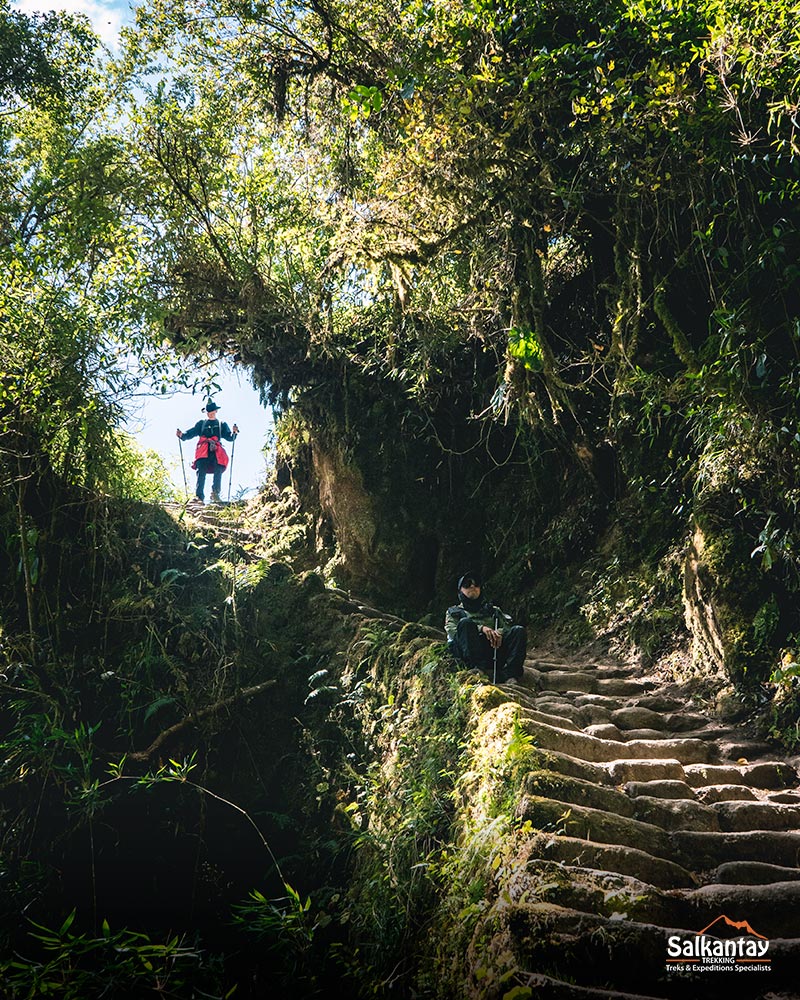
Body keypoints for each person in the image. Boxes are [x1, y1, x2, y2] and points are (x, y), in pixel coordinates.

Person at [445, 572, 526, 685]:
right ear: (460, 590)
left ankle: (511, 674)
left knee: (518, 631)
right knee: (465, 624)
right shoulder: (454, 612)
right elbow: (453, 632)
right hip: (470, 653)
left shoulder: (493, 610)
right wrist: (481, 629)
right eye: (467, 584)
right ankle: (476, 669)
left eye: (476, 584)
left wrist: (498, 633)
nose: (472, 587)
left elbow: (507, 627)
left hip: (494, 649)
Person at [177, 400, 239, 503]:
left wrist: (234, 433)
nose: (210, 413)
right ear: (206, 412)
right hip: (203, 450)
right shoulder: (201, 424)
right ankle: (199, 497)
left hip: (216, 450)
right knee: (201, 472)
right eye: (209, 412)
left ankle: (215, 494)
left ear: (216, 411)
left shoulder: (221, 424)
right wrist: (182, 435)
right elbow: (191, 432)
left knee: (218, 470)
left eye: (212, 411)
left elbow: (229, 437)